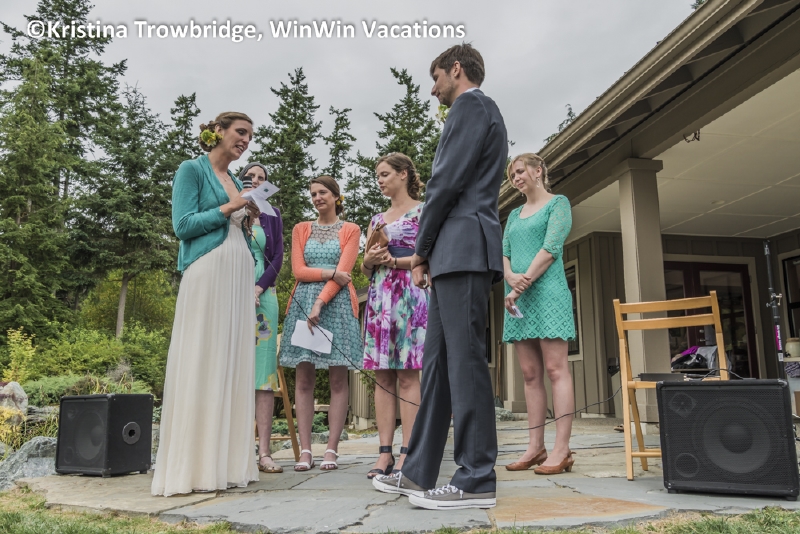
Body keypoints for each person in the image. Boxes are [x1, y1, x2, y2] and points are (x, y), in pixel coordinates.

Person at [372, 43, 507, 510]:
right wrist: (431, 254)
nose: (433, 89)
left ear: (456, 69)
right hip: (452, 254)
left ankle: (477, 476)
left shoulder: (472, 106)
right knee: (437, 368)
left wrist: (421, 250)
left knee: (465, 363)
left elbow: (444, 183)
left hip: (464, 249)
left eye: (435, 78)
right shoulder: (472, 110)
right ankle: (417, 471)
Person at [152, 112, 260, 496]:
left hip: (238, 274)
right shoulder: (191, 170)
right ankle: (193, 469)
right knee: (203, 358)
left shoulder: (236, 181)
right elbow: (182, 226)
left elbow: (235, 225)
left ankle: (226, 465)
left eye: (250, 136)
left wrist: (248, 215)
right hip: (207, 272)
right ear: (218, 131)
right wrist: (230, 208)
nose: (245, 140)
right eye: (240, 132)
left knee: (231, 362)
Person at [278, 175, 362, 472]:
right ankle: (305, 451)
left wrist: (320, 302)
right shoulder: (301, 229)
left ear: (336, 196)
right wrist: (329, 273)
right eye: (313, 194)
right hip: (302, 304)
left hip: (336, 306)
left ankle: (331, 449)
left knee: (338, 380)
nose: (317, 198)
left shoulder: (351, 229)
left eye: (323, 192)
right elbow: (299, 271)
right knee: (303, 379)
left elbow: (345, 273)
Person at [502, 153, 576, 475]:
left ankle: (562, 449)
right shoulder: (513, 215)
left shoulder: (558, 204)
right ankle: (535, 447)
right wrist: (509, 277)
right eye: (512, 175)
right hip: (518, 299)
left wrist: (520, 285)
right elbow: (504, 252)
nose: (516, 178)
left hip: (548, 296)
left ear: (538, 170)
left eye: (520, 171)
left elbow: (550, 249)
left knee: (556, 370)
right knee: (530, 374)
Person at [361, 153, 429, 479]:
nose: (380, 180)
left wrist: (394, 262)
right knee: (383, 376)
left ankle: (408, 452)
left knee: (407, 375)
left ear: (404, 174)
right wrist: (370, 260)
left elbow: (429, 255)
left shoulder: (424, 211)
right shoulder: (377, 219)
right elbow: (365, 267)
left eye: (385, 174)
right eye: (378, 175)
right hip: (379, 297)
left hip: (410, 295)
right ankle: (384, 453)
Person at [239, 162, 285, 474]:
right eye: (250, 177)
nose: (256, 181)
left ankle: (265, 452)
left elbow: (277, 256)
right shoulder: (231, 209)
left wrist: (258, 287)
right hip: (233, 288)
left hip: (264, 296)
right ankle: (236, 451)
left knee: (263, 375)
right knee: (234, 369)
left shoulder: (273, 214)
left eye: (261, 178)